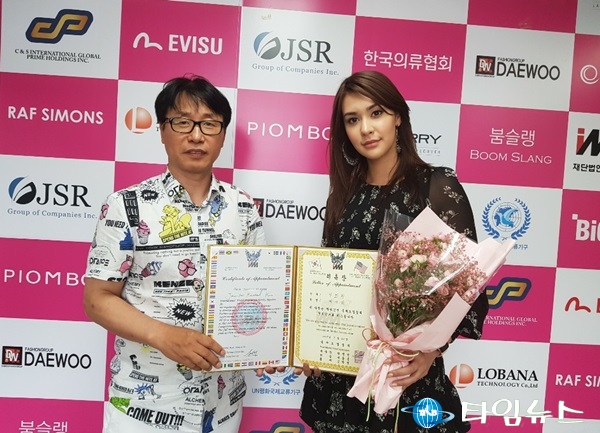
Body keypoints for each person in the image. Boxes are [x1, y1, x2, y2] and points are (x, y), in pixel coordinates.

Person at [299, 70, 488, 433]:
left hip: (406, 373)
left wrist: (432, 350)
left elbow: (468, 283)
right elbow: (324, 282)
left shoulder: (435, 186)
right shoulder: (342, 196)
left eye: (376, 113)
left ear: (398, 116)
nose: (366, 129)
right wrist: (311, 346)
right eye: (352, 120)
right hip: (341, 380)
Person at [83, 75, 266, 433]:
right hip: (142, 410)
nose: (196, 136)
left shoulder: (243, 208)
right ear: (162, 130)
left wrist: (272, 344)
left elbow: (257, 297)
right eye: (182, 122)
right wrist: (163, 335)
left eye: (209, 124)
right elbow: (97, 299)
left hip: (222, 409)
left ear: (222, 134)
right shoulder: (126, 206)